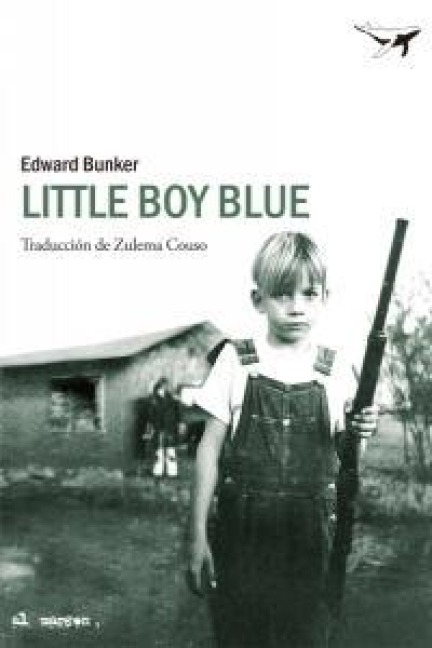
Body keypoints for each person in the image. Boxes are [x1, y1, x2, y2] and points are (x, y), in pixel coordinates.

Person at [188, 231, 379, 647]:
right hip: (240, 536)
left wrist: (359, 432)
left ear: (325, 297)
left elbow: (347, 460)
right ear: (258, 300)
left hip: (311, 542)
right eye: (282, 294)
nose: (297, 307)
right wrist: (197, 534)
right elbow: (208, 449)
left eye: (309, 294)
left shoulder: (336, 368)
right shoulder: (236, 360)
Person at [150, 377, 179, 478]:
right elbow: (151, 415)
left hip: (170, 427)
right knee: (159, 450)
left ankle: (172, 472)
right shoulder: (154, 399)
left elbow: (177, 413)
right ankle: (158, 471)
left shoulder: (172, 399)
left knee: (171, 450)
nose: (168, 387)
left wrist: (177, 424)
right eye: (166, 385)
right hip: (159, 428)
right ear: (161, 386)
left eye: (168, 385)